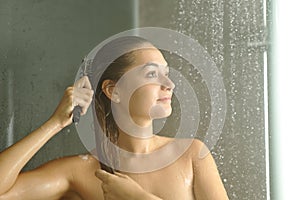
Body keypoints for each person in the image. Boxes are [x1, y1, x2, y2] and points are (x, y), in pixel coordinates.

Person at [0, 36, 228, 200]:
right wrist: (55, 124)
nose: (169, 85)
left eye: (166, 74)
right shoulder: (81, 172)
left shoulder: (191, 155)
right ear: (113, 90)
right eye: (151, 74)